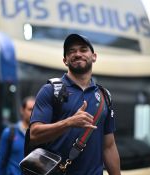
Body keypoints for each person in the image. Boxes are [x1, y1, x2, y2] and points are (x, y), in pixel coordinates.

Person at [29, 34, 121, 175]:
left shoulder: (104, 96)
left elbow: (108, 146)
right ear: (65, 60)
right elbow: (34, 134)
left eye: (83, 50)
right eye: (71, 51)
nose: (77, 54)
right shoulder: (50, 90)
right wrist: (69, 122)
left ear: (94, 56)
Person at [0, 96, 35, 175]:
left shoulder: (39, 135)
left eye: (35, 110)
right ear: (22, 110)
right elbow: (1, 163)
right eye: (30, 109)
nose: (33, 113)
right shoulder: (10, 133)